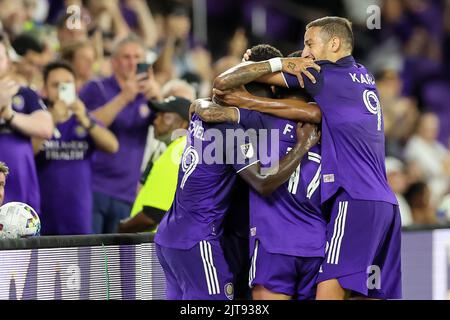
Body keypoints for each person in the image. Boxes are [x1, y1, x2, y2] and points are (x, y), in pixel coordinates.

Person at [213, 16, 401, 300]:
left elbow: (226, 81)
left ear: (334, 43)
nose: (303, 55)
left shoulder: (322, 75)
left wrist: (269, 66)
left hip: (354, 199)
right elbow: (312, 112)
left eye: (309, 44)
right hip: (386, 204)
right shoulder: (363, 74)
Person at [155, 99, 320, 300]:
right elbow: (262, 181)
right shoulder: (231, 131)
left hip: (170, 235)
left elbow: (195, 106)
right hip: (198, 239)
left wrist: (200, 103)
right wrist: (302, 146)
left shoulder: (206, 113)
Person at [197, 45, 326, 300]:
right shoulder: (329, 126)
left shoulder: (258, 119)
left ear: (277, 87)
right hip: (317, 245)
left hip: (275, 245)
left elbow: (216, 100)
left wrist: (256, 67)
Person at [79, 35, 157, 234]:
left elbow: (167, 130)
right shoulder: (96, 87)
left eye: (138, 57)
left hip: (127, 192)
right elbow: (85, 123)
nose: (133, 62)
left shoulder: (147, 96)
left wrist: (157, 97)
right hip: (94, 187)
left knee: (118, 263)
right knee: (92, 257)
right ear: (114, 62)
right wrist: (124, 97)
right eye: (126, 57)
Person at [35, 61, 118, 235]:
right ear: (45, 89)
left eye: (66, 84)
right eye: (55, 85)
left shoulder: (83, 118)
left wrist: (86, 120)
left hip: (78, 213)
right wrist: (52, 121)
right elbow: (30, 151)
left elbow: (112, 146)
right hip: (43, 212)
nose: (60, 90)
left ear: (76, 87)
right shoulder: (37, 119)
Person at [119, 96, 190, 233]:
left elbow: (153, 215)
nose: (156, 121)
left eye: (165, 116)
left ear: (183, 124)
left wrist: (121, 229)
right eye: (157, 115)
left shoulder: (177, 151)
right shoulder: (188, 148)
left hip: (155, 244)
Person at [0, 35, 53, 213]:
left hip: (20, 182)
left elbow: (46, 128)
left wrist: (10, 115)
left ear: (8, 62)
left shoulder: (25, 93)